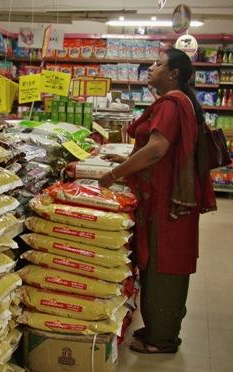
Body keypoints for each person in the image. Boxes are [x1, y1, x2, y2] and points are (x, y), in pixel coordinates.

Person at [96, 49, 217, 354]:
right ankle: (159, 330)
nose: (150, 68)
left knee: (165, 262)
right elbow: (154, 147)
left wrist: (114, 173)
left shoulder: (171, 103)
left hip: (166, 201)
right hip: (170, 197)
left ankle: (162, 339)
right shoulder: (181, 101)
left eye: (158, 64)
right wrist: (124, 157)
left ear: (173, 74)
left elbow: (156, 149)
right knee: (164, 262)